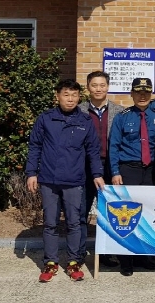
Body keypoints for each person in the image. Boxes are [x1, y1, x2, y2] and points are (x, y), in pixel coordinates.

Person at [26, 79, 104, 282]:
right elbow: (35, 146)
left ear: (79, 97)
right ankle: (50, 262)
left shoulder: (85, 121)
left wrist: (97, 174)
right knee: (50, 223)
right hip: (49, 180)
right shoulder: (46, 119)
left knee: (74, 222)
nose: (70, 99)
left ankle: (73, 262)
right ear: (57, 96)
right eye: (66, 95)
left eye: (74, 95)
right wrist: (31, 173)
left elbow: (93, 150)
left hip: (74, 180)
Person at [109, 78, 155, 276]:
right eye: (138, 92)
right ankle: (126, 260)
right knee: (126, 215)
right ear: (131, 94)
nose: (142, 96)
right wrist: (115, 172)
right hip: (128, 170)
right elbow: (114, 146)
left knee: (146, 215)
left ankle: (143, 257)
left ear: (151, 94)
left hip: (151, 171)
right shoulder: (122, 117)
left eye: (146, 92)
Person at [78, 71, 124, 268]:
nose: (98, 89)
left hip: (109, 166)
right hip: (84, 167)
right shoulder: (79, 110)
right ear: (88, 87)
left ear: (108, 87)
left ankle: (107, 252)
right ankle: (78, 252)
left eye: (102, 85)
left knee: (108, 212)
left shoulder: (119, 112)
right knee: (81, 210)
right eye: (94, 85)